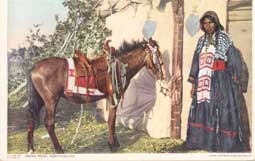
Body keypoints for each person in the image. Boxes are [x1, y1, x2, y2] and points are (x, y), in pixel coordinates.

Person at [185, 11, 250, 152]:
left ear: (216, 22)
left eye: (211, 22)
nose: (208, 26)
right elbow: (196, 62)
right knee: (202, 109)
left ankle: (223, 144)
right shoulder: (201, 42)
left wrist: (233, 79)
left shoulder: (225, 38)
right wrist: (193, 84)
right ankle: (202, 142)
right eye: (205, 23)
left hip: (221, 80)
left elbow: (233, 60)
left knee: (221, 109)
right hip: (203, 80)